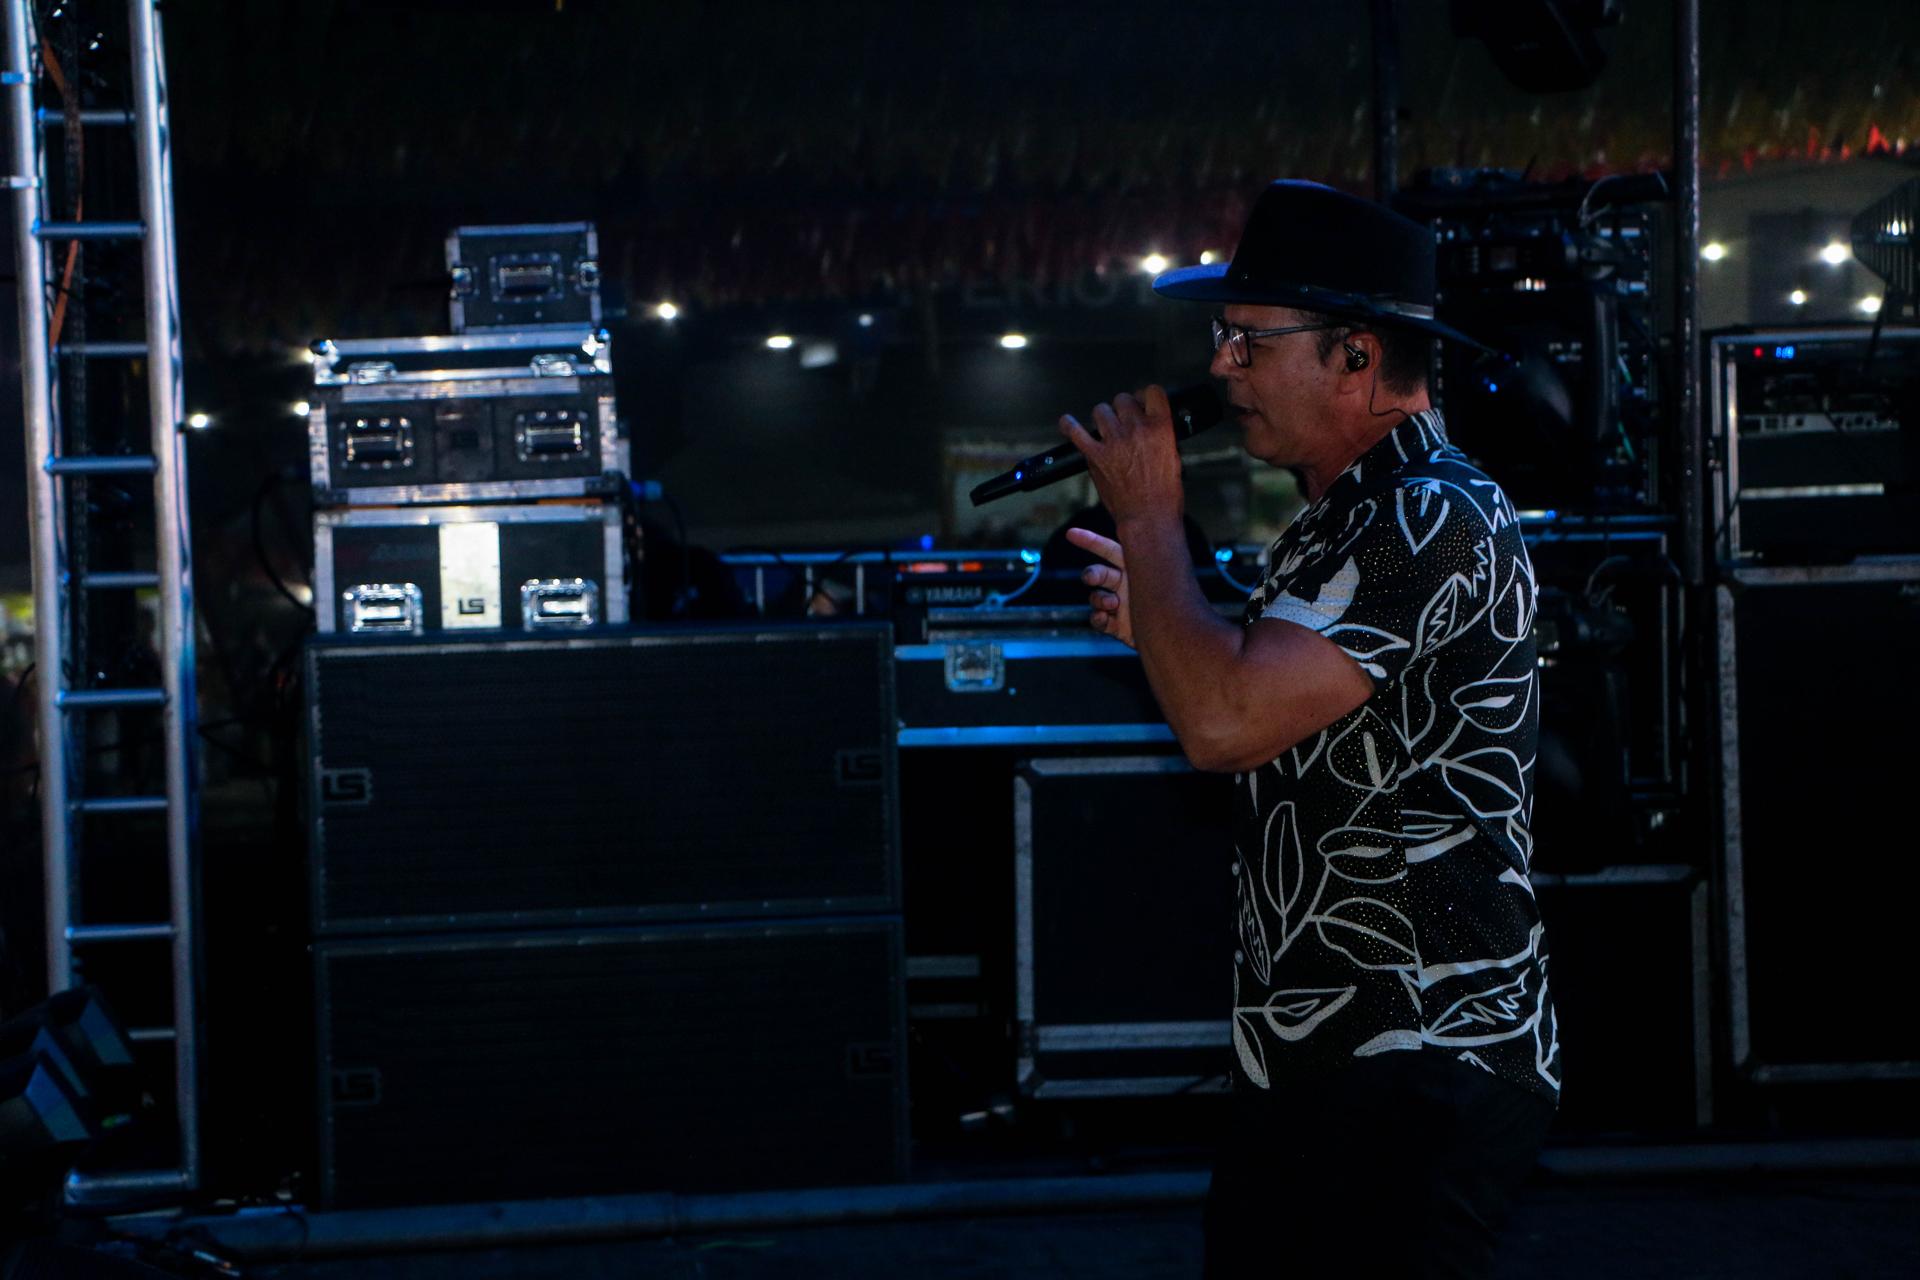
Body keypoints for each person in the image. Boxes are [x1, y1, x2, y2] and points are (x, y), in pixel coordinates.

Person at [1060, 180, 1560, 1279]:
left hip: (1415, 1043)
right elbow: (1253, 696)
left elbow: (1222, 724)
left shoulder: (1428, 512)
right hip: (1325, 1048)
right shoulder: (1347, 518)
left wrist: (1148, 515)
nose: (1223, 366)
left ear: (1357, 357)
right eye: (1221, 337)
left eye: (1250, 339)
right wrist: (1169, 620)